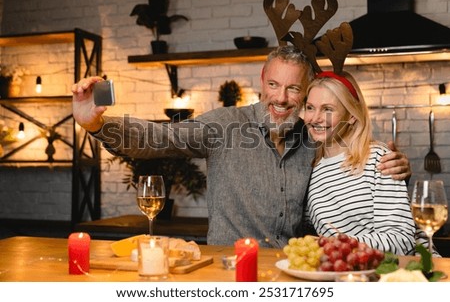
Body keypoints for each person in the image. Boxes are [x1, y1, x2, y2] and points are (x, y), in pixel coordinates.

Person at [71, 45, 411, 248]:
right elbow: (160, 138)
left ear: (307, 91)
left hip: (290, 276)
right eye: (274, 84)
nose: (280, 98)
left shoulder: (314, 138)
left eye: (293, 89)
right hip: (228, 273)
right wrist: (96, 124)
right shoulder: (224, 125)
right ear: (261, 81)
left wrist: (395, 165)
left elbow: (357, 148)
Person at [302, 71, 421, 255]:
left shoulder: (379, 159)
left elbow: (401, 239)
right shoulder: (310, 169)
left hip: (402, 273)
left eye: (327, 109)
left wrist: (335, 245)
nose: (315, 118)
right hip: (349, 274)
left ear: (351, 115)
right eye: (310, 107)